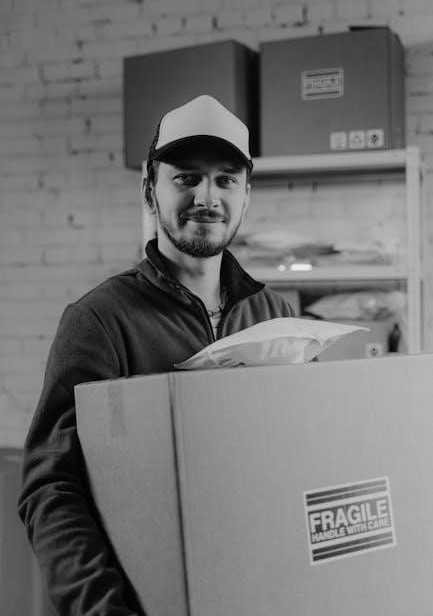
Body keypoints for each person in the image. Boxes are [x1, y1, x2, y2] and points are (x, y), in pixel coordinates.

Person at [18, 94, 294, 615]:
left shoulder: (275, 315)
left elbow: (300, 457)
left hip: (257, 588)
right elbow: (52, 489)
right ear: (150, 189)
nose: (206, 197)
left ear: (247, 193)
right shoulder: (100, 320)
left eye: (226, 180)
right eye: (186, 178)